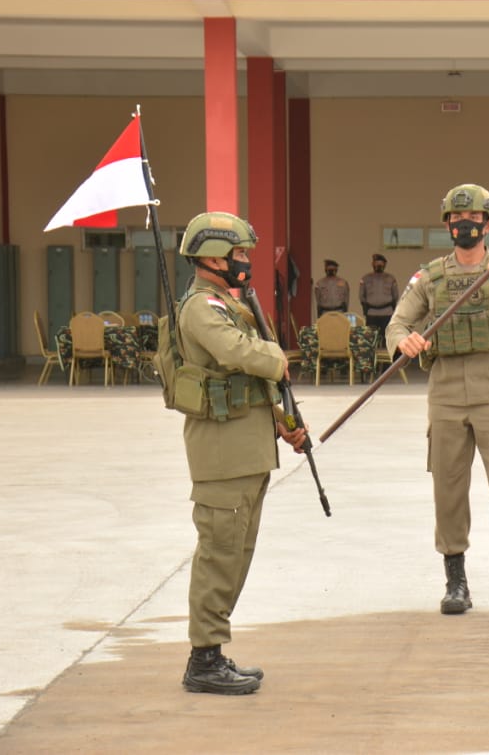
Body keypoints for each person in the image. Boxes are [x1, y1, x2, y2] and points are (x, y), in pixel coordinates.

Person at [386, 184, 489, 617]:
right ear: (447, 225)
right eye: (456, 219)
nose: (464, 225)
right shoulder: (430, 278)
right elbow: (397, 323)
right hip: (445, 394)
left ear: (488, 225)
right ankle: (455, 582)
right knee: (448, 489)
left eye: (473, 219)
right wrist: (404, 341)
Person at [174, 211, 308, 696]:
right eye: (239, 253)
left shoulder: (229, 302)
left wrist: (283, 423)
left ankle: (213, 652)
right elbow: (237, 353)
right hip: (222, 455)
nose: (246, 260)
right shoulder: (201, 307)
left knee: (236, 556)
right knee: (219, 555)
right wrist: (278, 356)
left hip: (247, 450)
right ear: (212, 257)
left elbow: (246, 384)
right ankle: (203, 660)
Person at [359, 252, 399, 337]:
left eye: (381, 264)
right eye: (376, 264)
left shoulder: (390, 278)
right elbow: (361, 296)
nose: (378, 266)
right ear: (372, 264)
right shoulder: (366, 278)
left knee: (387, 338)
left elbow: (395, 296)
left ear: (384, 265)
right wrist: (365, 308)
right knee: (371, 338)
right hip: (371, 313)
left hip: (387, 313)